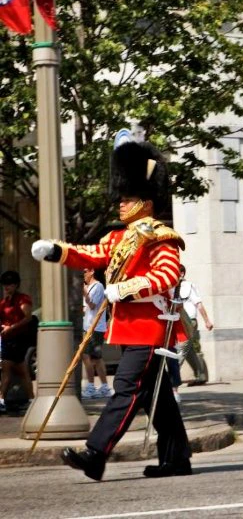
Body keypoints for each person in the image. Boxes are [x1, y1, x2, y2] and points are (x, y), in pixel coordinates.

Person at [31, 136, 192, 481]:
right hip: (130, 328)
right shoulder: (119, 237)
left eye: (128, 198)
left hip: (151, 326)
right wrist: (57, 251)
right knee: (157, 399)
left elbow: (166, 275)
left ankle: (96, 452)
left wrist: (126, 289)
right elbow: (91, 254)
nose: (121, 203)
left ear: (145, 201)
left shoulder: (161, 236)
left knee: (126, 389)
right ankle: (177, 458)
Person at [0, 270, 35, 412]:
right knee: (18, 370)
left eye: (10, 283)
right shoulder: (4, 302)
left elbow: (28, 318)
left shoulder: (23, 299)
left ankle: (2, 400)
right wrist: (4, 327)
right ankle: (31, 399)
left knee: (12, 369)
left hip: (18, 339)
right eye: (5, 284)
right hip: (8, 339)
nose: (6, 286)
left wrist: (12, 327)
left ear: (16, 285)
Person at [174, 264, 213, 386]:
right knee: (189, 350)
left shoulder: (189, 286)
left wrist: (207, 321)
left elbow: (199, 304)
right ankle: (200, 375)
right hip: (178, 321)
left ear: (182, 274)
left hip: (189, 321)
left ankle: (171, 378)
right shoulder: (172, 287)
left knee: (181, 349)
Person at [81, 268, 112, 399]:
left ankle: (91, 386)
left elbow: (92, 305)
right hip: (89, 327)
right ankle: (104, 387)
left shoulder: (98, 286)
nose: (83, 274)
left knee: (86, 356)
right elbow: (86, 309)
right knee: (96, 358)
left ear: (91, 271)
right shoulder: (89, 287)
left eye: (84, 271)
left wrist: (84, 293)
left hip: (95, 327)